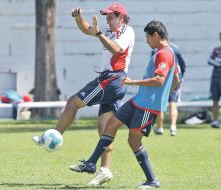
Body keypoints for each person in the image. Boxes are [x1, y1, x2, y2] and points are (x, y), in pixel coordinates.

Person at [32, 3, 135, 186]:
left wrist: (98, 33)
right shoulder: (108, 30)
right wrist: (78, 18)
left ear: (121, 18)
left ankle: (52, 137)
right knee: (104, 128)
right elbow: (87, 29)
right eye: (106, 18)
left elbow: (116, 50)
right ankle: (104, 170)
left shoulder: (127, 32)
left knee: (73, 102)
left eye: (111, 17)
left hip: (111, 80)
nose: (108, 20)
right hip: (112, 81)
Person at [69, 20, 180, 189]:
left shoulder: (164, 54)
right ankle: (91, 163)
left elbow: (160, 80)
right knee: (111, 125)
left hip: (147, 107)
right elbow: (176, 78)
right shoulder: (166, 52)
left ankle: (152, 180)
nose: (146, 41)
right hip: (138, 101)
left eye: (148, 37)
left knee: (133, 140)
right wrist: (166, 93)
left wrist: (135, 83)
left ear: (156, 35)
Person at [154, 43, 186, 136]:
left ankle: (160, 127)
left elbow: (154, 66)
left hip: (163, 78)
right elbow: (183, 65)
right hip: (175, 78)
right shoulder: (176, 48)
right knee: (173, 104)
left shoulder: (156, 50)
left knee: (160, 103)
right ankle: (173, 127)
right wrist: (181, 76)